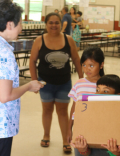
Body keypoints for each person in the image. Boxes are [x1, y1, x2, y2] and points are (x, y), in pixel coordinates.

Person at [0, 0, 44, 156]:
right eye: (20, 23)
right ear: (10, 24)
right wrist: (29, 86)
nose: (21, 28)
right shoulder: (3, 52)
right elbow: (5, 96)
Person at [29, 12, 83, 152]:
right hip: (44, 83)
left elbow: (76, 59)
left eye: (56, 22)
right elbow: (32, 61)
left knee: (63, 111)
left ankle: (66, 139)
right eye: (51, 23)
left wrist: (82, 79)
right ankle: (46, 135)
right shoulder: (39, 40)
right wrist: (34, 81)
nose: (54, 25)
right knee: (47, 110)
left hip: (64, 82)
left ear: (61, 24)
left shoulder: (68, 39)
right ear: (46, 24)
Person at [71, 75, 120, 156]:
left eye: (106, 91)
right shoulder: (87, 114)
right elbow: (85, 152)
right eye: (97, 90)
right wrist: (82, 150)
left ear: (117, 96)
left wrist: (116, 153)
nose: (99, 94)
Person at [67, 47, 105, 149]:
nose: (87, 69)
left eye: (91, 65)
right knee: (80, 151)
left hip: (100, 129)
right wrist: (69, 129)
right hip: (81, 129)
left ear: (101, 65)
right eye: (84, 65)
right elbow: (74, 107)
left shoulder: (106, 86)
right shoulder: (79, 84)